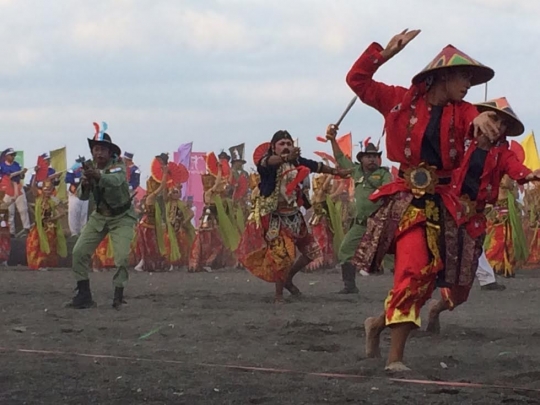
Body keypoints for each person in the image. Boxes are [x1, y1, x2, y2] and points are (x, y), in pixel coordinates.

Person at [346, 29, 499, 371]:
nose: (468, 84)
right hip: (406, 201)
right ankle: (395, 358)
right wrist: (384, 54)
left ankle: (376, 324)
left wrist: (482, 117)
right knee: (413, 270)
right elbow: (356, 80)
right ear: (442, 76)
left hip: (443, 203)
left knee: (426, 281)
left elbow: (474, 116)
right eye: (463, 76)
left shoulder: (463, 110)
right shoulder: (398, 100)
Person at [426, 97, 540, 333]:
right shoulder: (458, 141)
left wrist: (531, 175)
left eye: (503, 124)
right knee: (427, 269)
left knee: (462, 288)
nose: (497, 126)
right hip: (444, 212)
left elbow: (518, 170)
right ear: (481, 118)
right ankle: (401, 316)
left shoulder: (504, 154)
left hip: (473, 220)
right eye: (493, 118)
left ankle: (437, 309)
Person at [236, 130, 351, 302]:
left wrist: (337, 172)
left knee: (312, 252)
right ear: (273, 147)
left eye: (289, 143)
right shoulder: (266, 162)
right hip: (274, 216)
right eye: (282, 144)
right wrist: (285, 158)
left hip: (294, 214)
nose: (286, 147)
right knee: (282, 255)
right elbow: (270, 162)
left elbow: (317, 166)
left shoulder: (297, 161)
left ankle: (288, 279)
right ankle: (278, 294)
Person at [68, 130, 136, 310]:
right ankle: (83, 295)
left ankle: (118, 295)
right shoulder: (89, 166)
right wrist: (85, 183)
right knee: (78, 252)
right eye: (96, 149)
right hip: (99, 216)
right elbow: (82, 197)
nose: (98, 153)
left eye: (102, 150)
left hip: (122, 217)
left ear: (110, 152)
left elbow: (116, 180)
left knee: (121, 257)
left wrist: (97, 176)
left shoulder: (118, 165)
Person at [327, 127, 392, 292]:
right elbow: (341, 158)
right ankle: (350, 286)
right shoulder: (355, 171)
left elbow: (388, 189)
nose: (372, 160)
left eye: (375, 157)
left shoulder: (384, 174)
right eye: (369, 157)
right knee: (345, 250)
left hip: (379, 223)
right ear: (362, 159)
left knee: (395, 251)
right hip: (360, 223)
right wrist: (333, 140)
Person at [134, 155, 169, 272]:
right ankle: (145, 263)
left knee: (150, 246)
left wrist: (164, 174)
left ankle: (152, 264)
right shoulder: (148, 198)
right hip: (145, 225)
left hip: (149, 226)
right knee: (145, 246)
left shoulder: (152, 197)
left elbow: (163, 187)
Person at [26, 178, 67, 270]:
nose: (47, 191)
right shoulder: (38, 197)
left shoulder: (53, 200)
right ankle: (37, 264)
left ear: (52, 190)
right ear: (42, 189)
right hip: (39, 226)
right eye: (45, 189)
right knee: (35, 244)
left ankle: (44, 264)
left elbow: (63, 213)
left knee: (48, 245)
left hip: (49, 227)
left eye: (49, 190)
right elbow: (32, 187)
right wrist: (35, 175)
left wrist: (53, 219)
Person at [0, 148, 30, 237]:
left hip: (18, 187)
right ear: (6, 156)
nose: (13, 156)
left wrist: (22, 172)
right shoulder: (1, 166)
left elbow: (21, 176)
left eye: (14, 155)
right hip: (7, 190)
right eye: (11, 155)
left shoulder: (17, 165)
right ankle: (11, 231)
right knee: (10, 211)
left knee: (23, 209)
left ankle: (26, 228)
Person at [166, 185, 195, 269]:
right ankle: (172, 262)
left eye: (177, 192)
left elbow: (191, 214)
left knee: (181, 244)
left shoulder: (182, 204)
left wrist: (185, 221)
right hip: (170, 227)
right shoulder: (168, 204)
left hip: (180, 228)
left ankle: (181, 262)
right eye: (173, 192)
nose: (175, 194)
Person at [66, 157, 89, 237]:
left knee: (84, 213)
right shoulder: (72, 169)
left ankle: (83, 231)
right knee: (74, 213)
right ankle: (74, 232)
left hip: (85, 193)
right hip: (74, 194)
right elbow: (68, 180)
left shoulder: (87, 170)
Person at [0, 186, 14, 266]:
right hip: (3, 225)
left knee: (4, 242)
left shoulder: (4, 204)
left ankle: (4, 260)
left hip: (4, 226)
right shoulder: (5, 204)